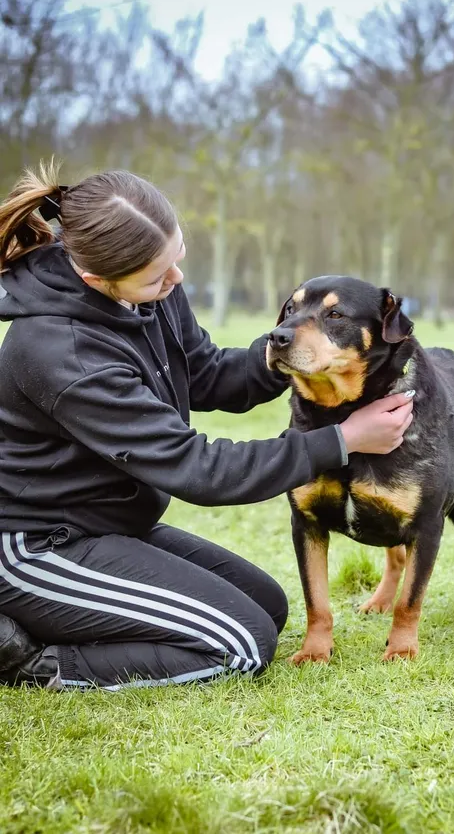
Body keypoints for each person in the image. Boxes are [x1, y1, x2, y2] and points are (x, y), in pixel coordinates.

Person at [0, 163, 414, 691]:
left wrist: (293, 351)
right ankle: (29, 662)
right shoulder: (60, 352)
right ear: (95, 281)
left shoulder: (143, 288)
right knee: (240, 644)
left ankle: (92, 620)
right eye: (158, 276)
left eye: (177, 260)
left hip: (109, 526)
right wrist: (343, 440)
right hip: (35, 547)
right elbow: (198, 469)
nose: (174, 282)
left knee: (268, 606)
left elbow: (208, 373)